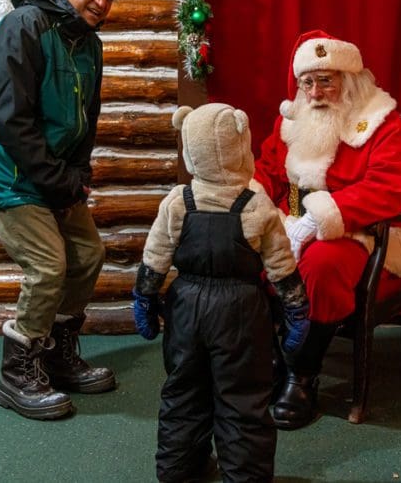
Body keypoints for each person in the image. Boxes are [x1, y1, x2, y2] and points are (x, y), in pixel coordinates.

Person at [0, 0, 126, 420]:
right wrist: (59, 180)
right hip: (11, 167)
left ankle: (56, 356)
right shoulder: (25, 25)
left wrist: (78, 175)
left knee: (88, 254)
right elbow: (8, 117)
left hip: (54, 171)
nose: (102, 2)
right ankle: (16, 376)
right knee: (47, 264)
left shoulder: (88, 43)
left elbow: (86, 119)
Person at [252, 29, 401, 430]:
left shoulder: (382, 122)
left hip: (362, 228)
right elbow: (269, 171)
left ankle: (301, 374)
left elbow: (389, 189)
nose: (314, 92)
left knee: (322, 266)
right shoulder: (292, 119)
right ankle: (274, 359)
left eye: (325, 80)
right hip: (295, 215)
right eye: (307, 83)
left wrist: (323, 216)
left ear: (349, 80)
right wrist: (252, 201)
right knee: (243, 249)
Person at [132, 103, 310, 482]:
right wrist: (296, 311)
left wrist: (144, 298)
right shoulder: (257, 206)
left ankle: (180, 471)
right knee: (243, 399)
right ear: (240, 145)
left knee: (183, 392)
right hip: (241, 312)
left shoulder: (177, 202)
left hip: (185, 308)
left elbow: (156, 255)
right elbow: (282, 265)